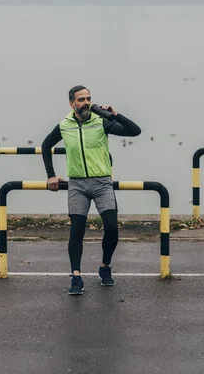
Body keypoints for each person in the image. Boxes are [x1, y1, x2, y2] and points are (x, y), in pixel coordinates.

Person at [41, 85, 141, 295]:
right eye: (81, 100)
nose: (86, 103)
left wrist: (115, 114)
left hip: (102, 183)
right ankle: (76, 276)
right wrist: (51, 174)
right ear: (71, 104)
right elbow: (45, 145)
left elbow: (135, 131)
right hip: (77, 184)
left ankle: (104, 267)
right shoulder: (64, 125)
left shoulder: (101, 122)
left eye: (88, 99)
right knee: (76, 230)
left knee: (112, 228)